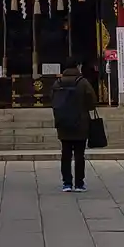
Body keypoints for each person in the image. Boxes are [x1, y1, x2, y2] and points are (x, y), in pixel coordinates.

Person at [51, 64, 98, 193]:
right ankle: (79, 183)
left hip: (63, 123)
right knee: (79, 155)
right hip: (80, 123)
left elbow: (53, 101)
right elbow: (92, 101)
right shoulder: (83, 82)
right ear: (77, 67)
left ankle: (66, 183)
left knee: (65, 154)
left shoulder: (57, 83)